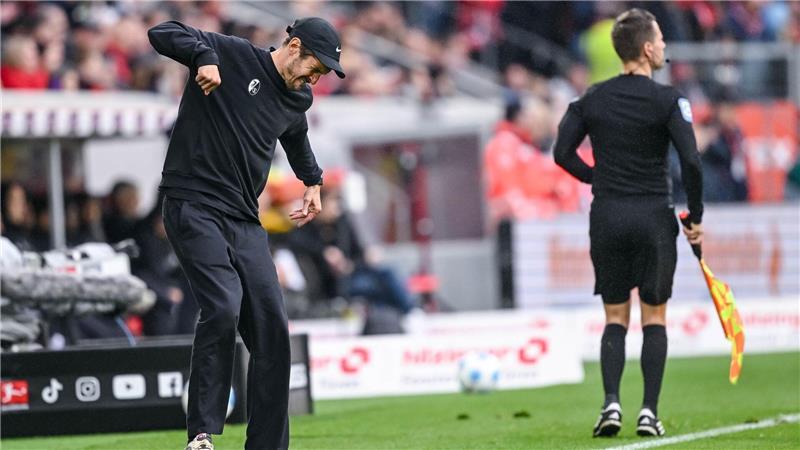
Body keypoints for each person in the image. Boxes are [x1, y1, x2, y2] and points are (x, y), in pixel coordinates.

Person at [148, 16, 345, 450]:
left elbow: (295, 137)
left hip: (242, 219)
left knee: (273, 329)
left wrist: (312, 181)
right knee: (221, 306)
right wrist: (202, 57)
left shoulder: (298, 97)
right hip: (192, 205)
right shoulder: (231, 53)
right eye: (317, 65)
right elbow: (162, 31)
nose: (318, 76)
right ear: (293, 46)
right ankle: (201, 434)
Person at [553, 8, 704, 439]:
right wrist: (695, 215)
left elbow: (562, 152)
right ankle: (648, 413)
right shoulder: (670, 100)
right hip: (654, 216)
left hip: (608, 217)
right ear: (646, 48)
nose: (664, 48)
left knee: (615, 315)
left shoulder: (592, 98)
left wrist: (595, 177)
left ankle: (610, 404)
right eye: (659, 40)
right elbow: (691, 161)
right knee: (653, 317)